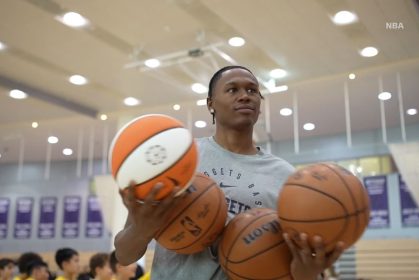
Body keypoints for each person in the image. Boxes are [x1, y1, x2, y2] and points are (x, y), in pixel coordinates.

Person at [114, 65, 345, 279]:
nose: (245, 95)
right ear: (210, 103)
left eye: (253, 90)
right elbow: (124, 255)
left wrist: (307, 272)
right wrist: (142, 231)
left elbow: (299, 263)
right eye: (232, 89)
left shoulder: (284, 175)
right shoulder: (180, 156)